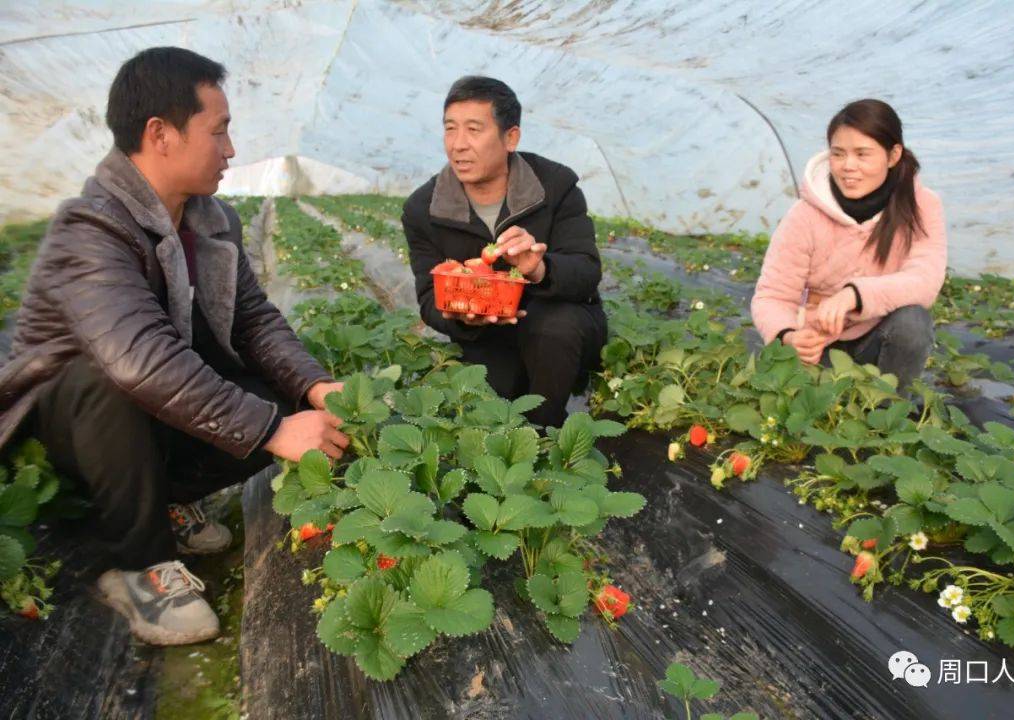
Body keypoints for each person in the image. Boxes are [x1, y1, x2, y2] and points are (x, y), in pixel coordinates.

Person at [0, 47, 351, 645]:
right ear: (160, 134)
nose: (231, 150)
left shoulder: (211, 221)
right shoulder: (89, 230)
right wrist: (270, 431)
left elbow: (253, 322)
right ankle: (137, 565)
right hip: (68, 429)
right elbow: (139, 361)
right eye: (219, 132)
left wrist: (315, 387)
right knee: (106, 374)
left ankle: (161, 499)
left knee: (279, 398)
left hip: (142, 414)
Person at [402, 76, 607, 427]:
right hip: (486, 336)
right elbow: (427, 297)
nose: (458, 145)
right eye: (450, 129)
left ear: (510, 137)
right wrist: (461, 316)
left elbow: (586, 271)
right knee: (493, 407)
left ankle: (547, 435)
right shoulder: (424, 209)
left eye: (474, 129)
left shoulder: (555, 186)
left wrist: (540, 268)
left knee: (555, 332)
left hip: (558, 324)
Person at [751, 98, 946, 391]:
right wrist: (789, 335)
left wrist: (853, 295)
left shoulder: (921, 206)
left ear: (893, 155)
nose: (848, 166)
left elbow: (925, 279)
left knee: (912, 322)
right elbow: (773, 296)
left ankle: (886, 413)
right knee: (790, 391)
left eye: (862, 154)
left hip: (877, 343)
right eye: (838, 154)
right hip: (818, 346)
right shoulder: (805, 215)